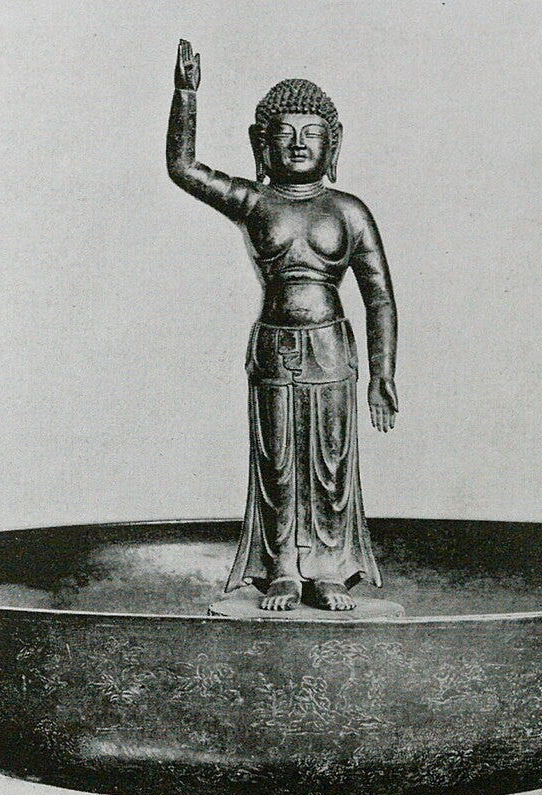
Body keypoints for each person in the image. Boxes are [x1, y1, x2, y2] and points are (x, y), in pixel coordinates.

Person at [166, 40, 398, 612]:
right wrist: (186, 96)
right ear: (262, 143)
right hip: (274, 347)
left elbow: (379, 298)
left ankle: (329, 569)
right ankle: (284, 569)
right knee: (278, 461)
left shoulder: (349, 211)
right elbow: (183, 168)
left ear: (332, 143)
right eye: (285, 133)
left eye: (311, 133)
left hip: (331, 347)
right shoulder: (254, 202)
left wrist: (383, 375)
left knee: (330, 463)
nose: (298, 144)